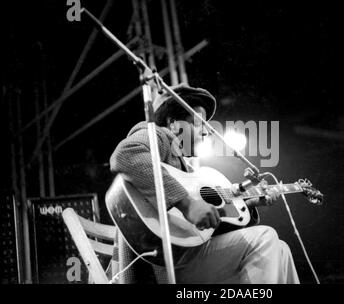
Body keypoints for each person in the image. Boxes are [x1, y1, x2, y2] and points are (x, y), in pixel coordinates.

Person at [109, 84, 300, 284]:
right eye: (199, 122)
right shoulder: (159, 135)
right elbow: (126, 155)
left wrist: (250, 203)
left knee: (281, 249)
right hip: (165, 265)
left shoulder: (185, 168)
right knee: (265, 238)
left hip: (187, 255)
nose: (207, 131)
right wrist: (187, 204)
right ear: (173, 123)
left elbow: (207, 222)